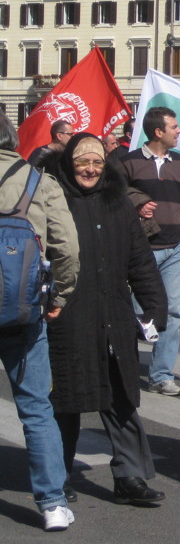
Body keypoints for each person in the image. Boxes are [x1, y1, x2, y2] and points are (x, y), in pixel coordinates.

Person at [44, 134, 168, 508]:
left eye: (97, 162)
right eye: (83, 162)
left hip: (113, 314)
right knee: (65, 400)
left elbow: (140, 261)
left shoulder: (118, 202)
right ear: (69, 163)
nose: (91, 169)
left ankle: (129, 476)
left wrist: (153, 309)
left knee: (121, 398)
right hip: (66, 317)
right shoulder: (52, 199)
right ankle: (58, 476)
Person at [0, 113, 80, 531]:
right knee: (35, 407)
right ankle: (51, 503)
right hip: (24, 309)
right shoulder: (39, 181)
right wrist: (60, 296)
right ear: (12, 137)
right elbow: (67, 247)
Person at [120, 107, 180, 398]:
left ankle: (161, 375)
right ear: (158, 131)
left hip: (176, 247)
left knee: (172, 312)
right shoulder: (129, 161)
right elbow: (113, 196)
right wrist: (136, 203)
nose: (179, 131)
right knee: (137, 312)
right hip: (142, 249)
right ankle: (123, 369)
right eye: (174, 127)